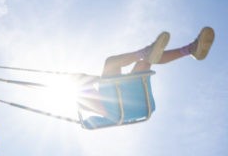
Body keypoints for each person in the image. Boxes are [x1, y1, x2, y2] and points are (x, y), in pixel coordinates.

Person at [78, 27, 215, 117]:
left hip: (136, 103)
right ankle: (145, 51)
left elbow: (92, 83)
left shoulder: (109, 92)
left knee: (146, 62)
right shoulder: (89, 98)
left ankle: (191, 49)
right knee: (111, 62)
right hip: (122, 106)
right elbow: (87, 90)